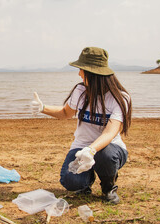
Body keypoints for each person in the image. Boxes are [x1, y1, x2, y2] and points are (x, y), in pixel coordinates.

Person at [32, 47, 132, 204]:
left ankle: (108, 188)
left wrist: (91, 150)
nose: (79, 73)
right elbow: (65, 113)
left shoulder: (120, 98)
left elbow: (109, 133)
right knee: (70, 182)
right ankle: (86, 179)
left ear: (93, 73)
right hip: (81, 148)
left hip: (109, 149)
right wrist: (43, 108)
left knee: (104, 155)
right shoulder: (80, 91)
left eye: (81, 69)